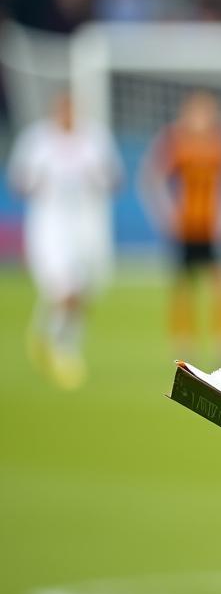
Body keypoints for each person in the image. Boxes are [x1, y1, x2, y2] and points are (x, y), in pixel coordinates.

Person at [7, 91, 122, 389]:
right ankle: (59, 349)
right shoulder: (37, 141)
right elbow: (18, 182)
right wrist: (37, 183)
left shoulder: (94, 138)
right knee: (66, 287)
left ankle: (53, 338)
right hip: (50, 226)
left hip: (89, 225)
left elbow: (114, 179)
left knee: (84, 290)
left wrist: (98, 178)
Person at [139, 90, 221, 361]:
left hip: (212, 227)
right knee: (184, 286)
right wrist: (165, 214)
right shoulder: (175, 141)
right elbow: (153, 178)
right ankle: (183, 347)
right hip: (185, 226)